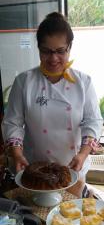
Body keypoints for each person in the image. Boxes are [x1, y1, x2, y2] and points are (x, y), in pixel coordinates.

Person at [2, 12, 103, 197]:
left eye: (60, 51)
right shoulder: (24, 82)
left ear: (69, 48)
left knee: (70, 218)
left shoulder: (83, 83)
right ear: (38, 49)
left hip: (73, 168)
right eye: (46, 51)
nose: (53, 58)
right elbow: (12, 123)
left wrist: (82, 154)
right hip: (33, 169)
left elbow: (93, 122)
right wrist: (17, 154)